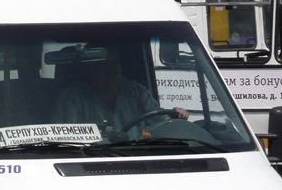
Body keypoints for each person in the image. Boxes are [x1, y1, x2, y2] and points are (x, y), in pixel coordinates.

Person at [51, 45, 188, 133]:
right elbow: (67, 138)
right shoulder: (72, 97)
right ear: (89, 69)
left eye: (116, 64)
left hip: (136, 154)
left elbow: (161, 124)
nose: (113, 70)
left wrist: (176, 116)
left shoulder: (136, 92)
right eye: (105, 66)